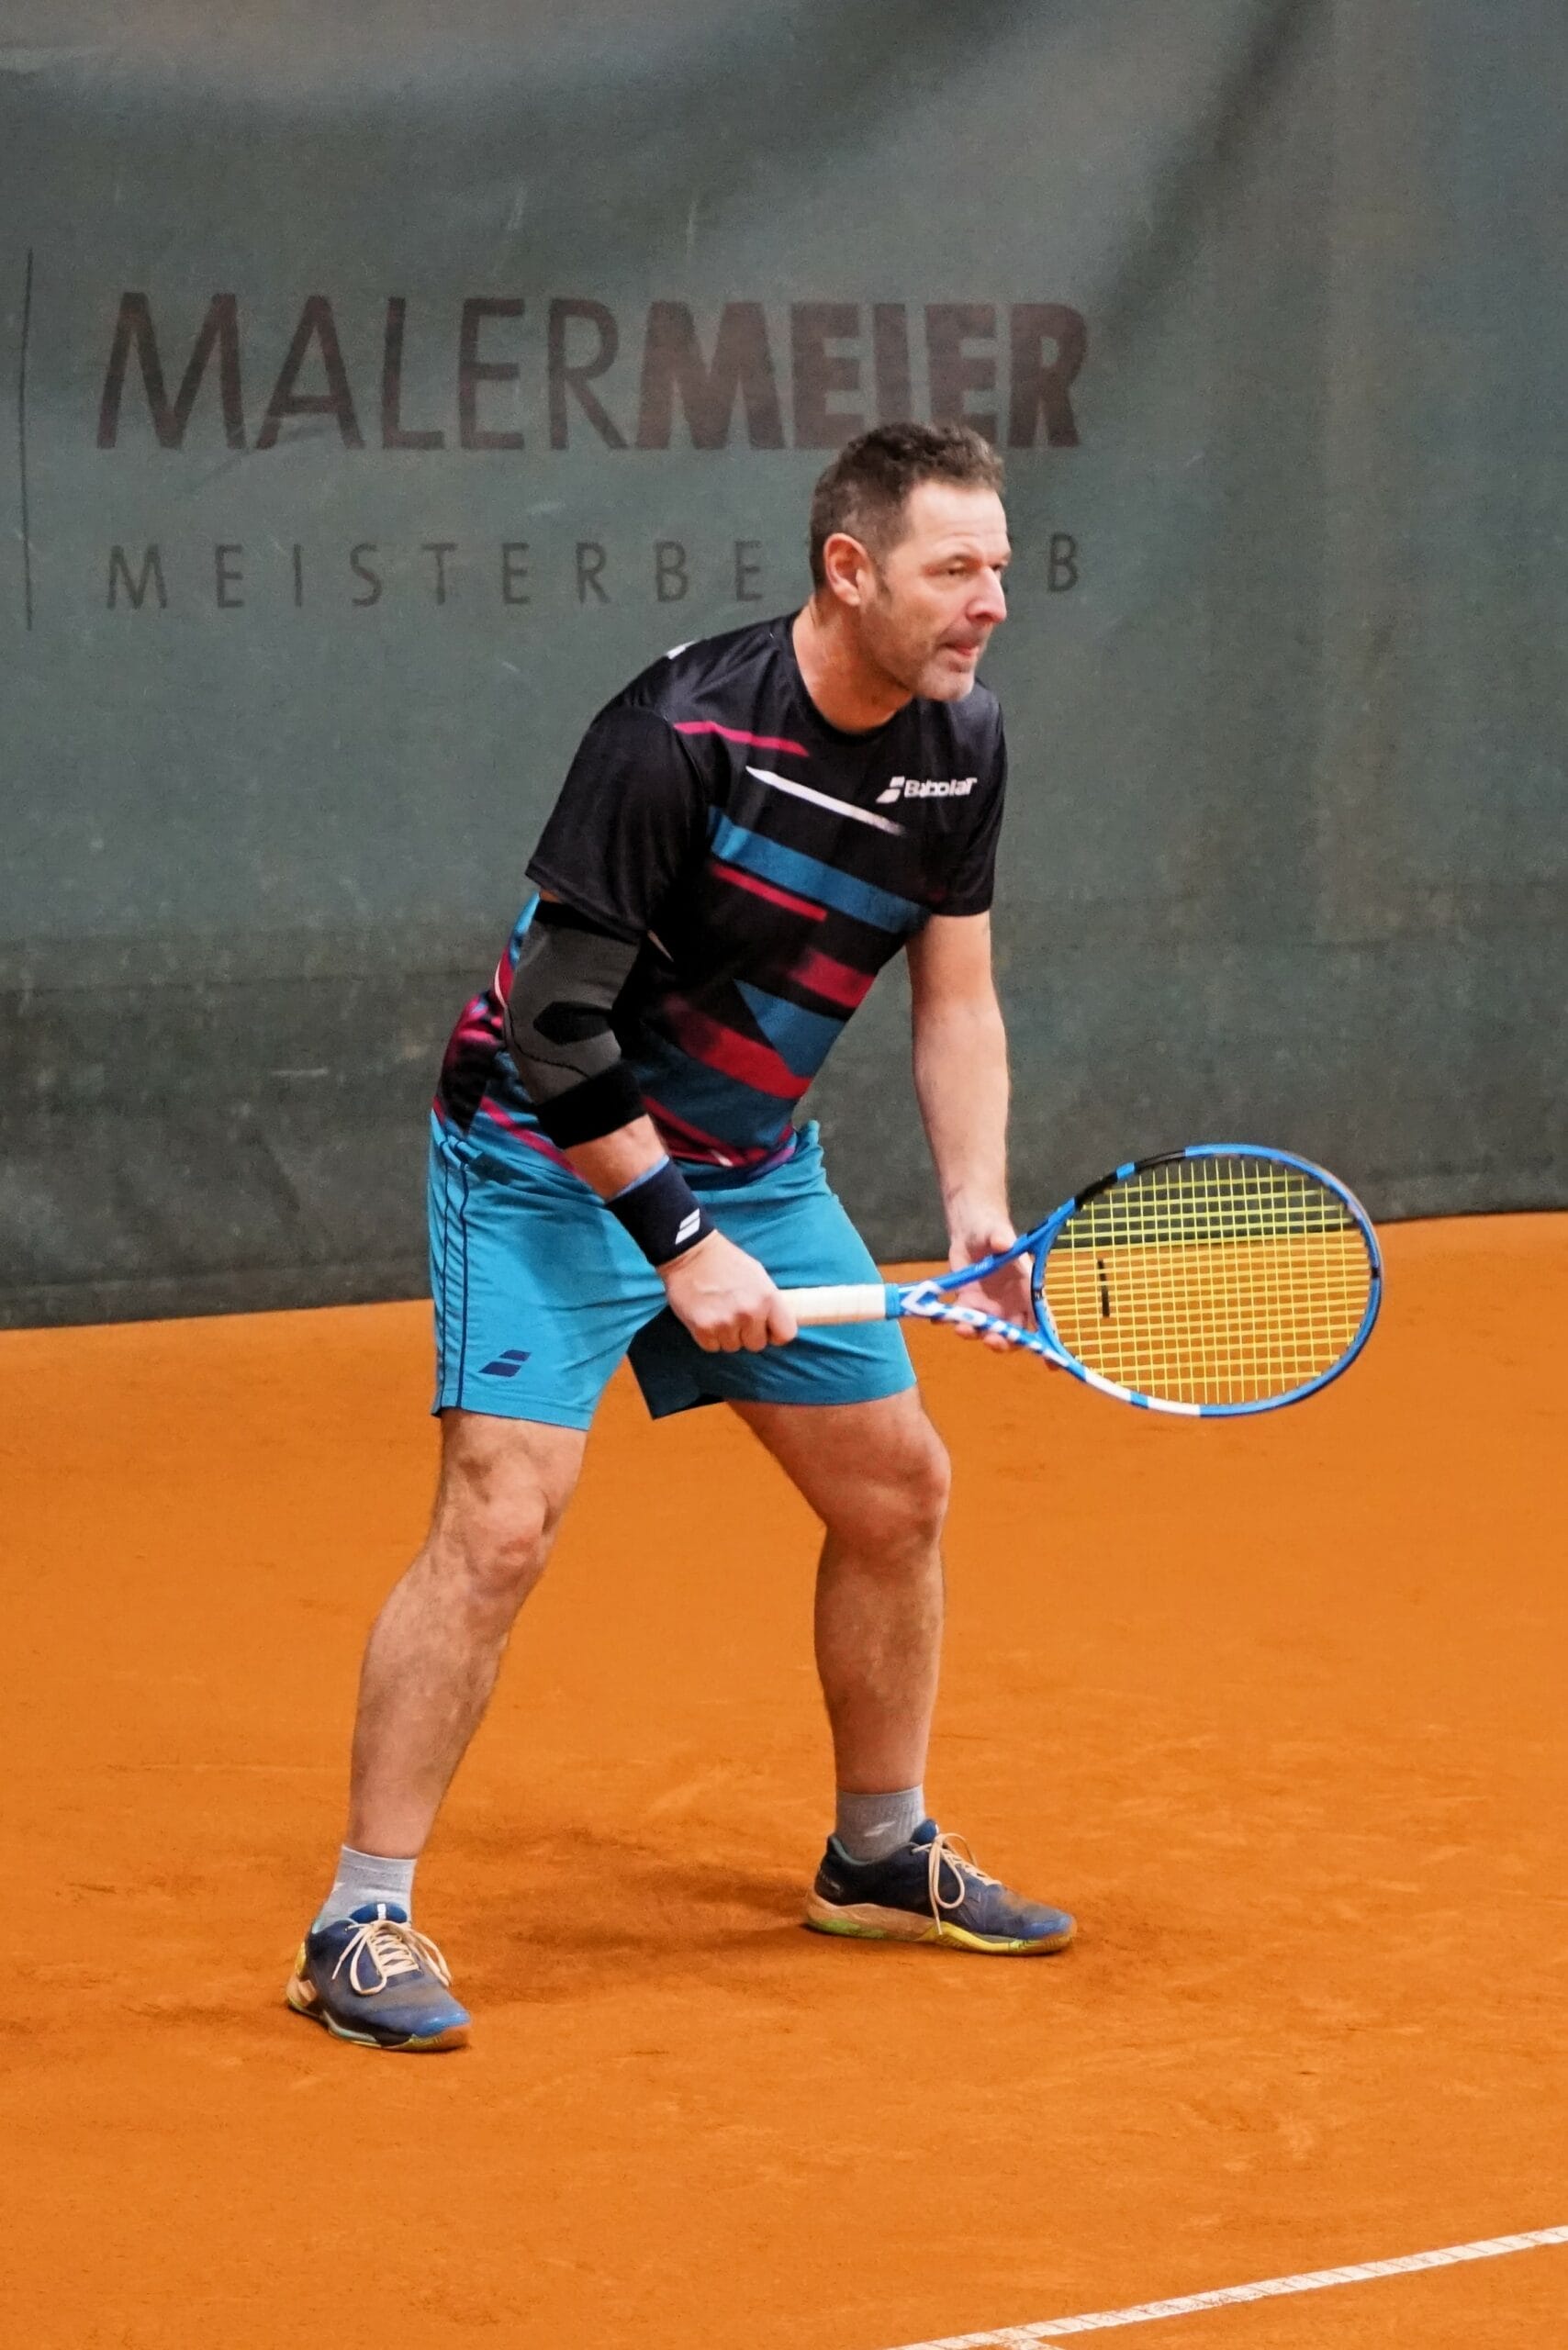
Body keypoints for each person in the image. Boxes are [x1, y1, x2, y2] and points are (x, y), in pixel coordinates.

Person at [286, 421, 1076, 2052]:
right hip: (542, 1158)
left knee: (897, 1493)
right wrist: (679, 1240)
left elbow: (957, 998)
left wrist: (978, 1208)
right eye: (955, 568)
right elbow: (554, 1031)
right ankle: (358, 1921)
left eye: (999, 567)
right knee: (501, 1524)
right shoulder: (677, 739)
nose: (991, 601)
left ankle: (877, 1853)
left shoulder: (964, 743)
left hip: (755, 1163)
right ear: (849, 569)